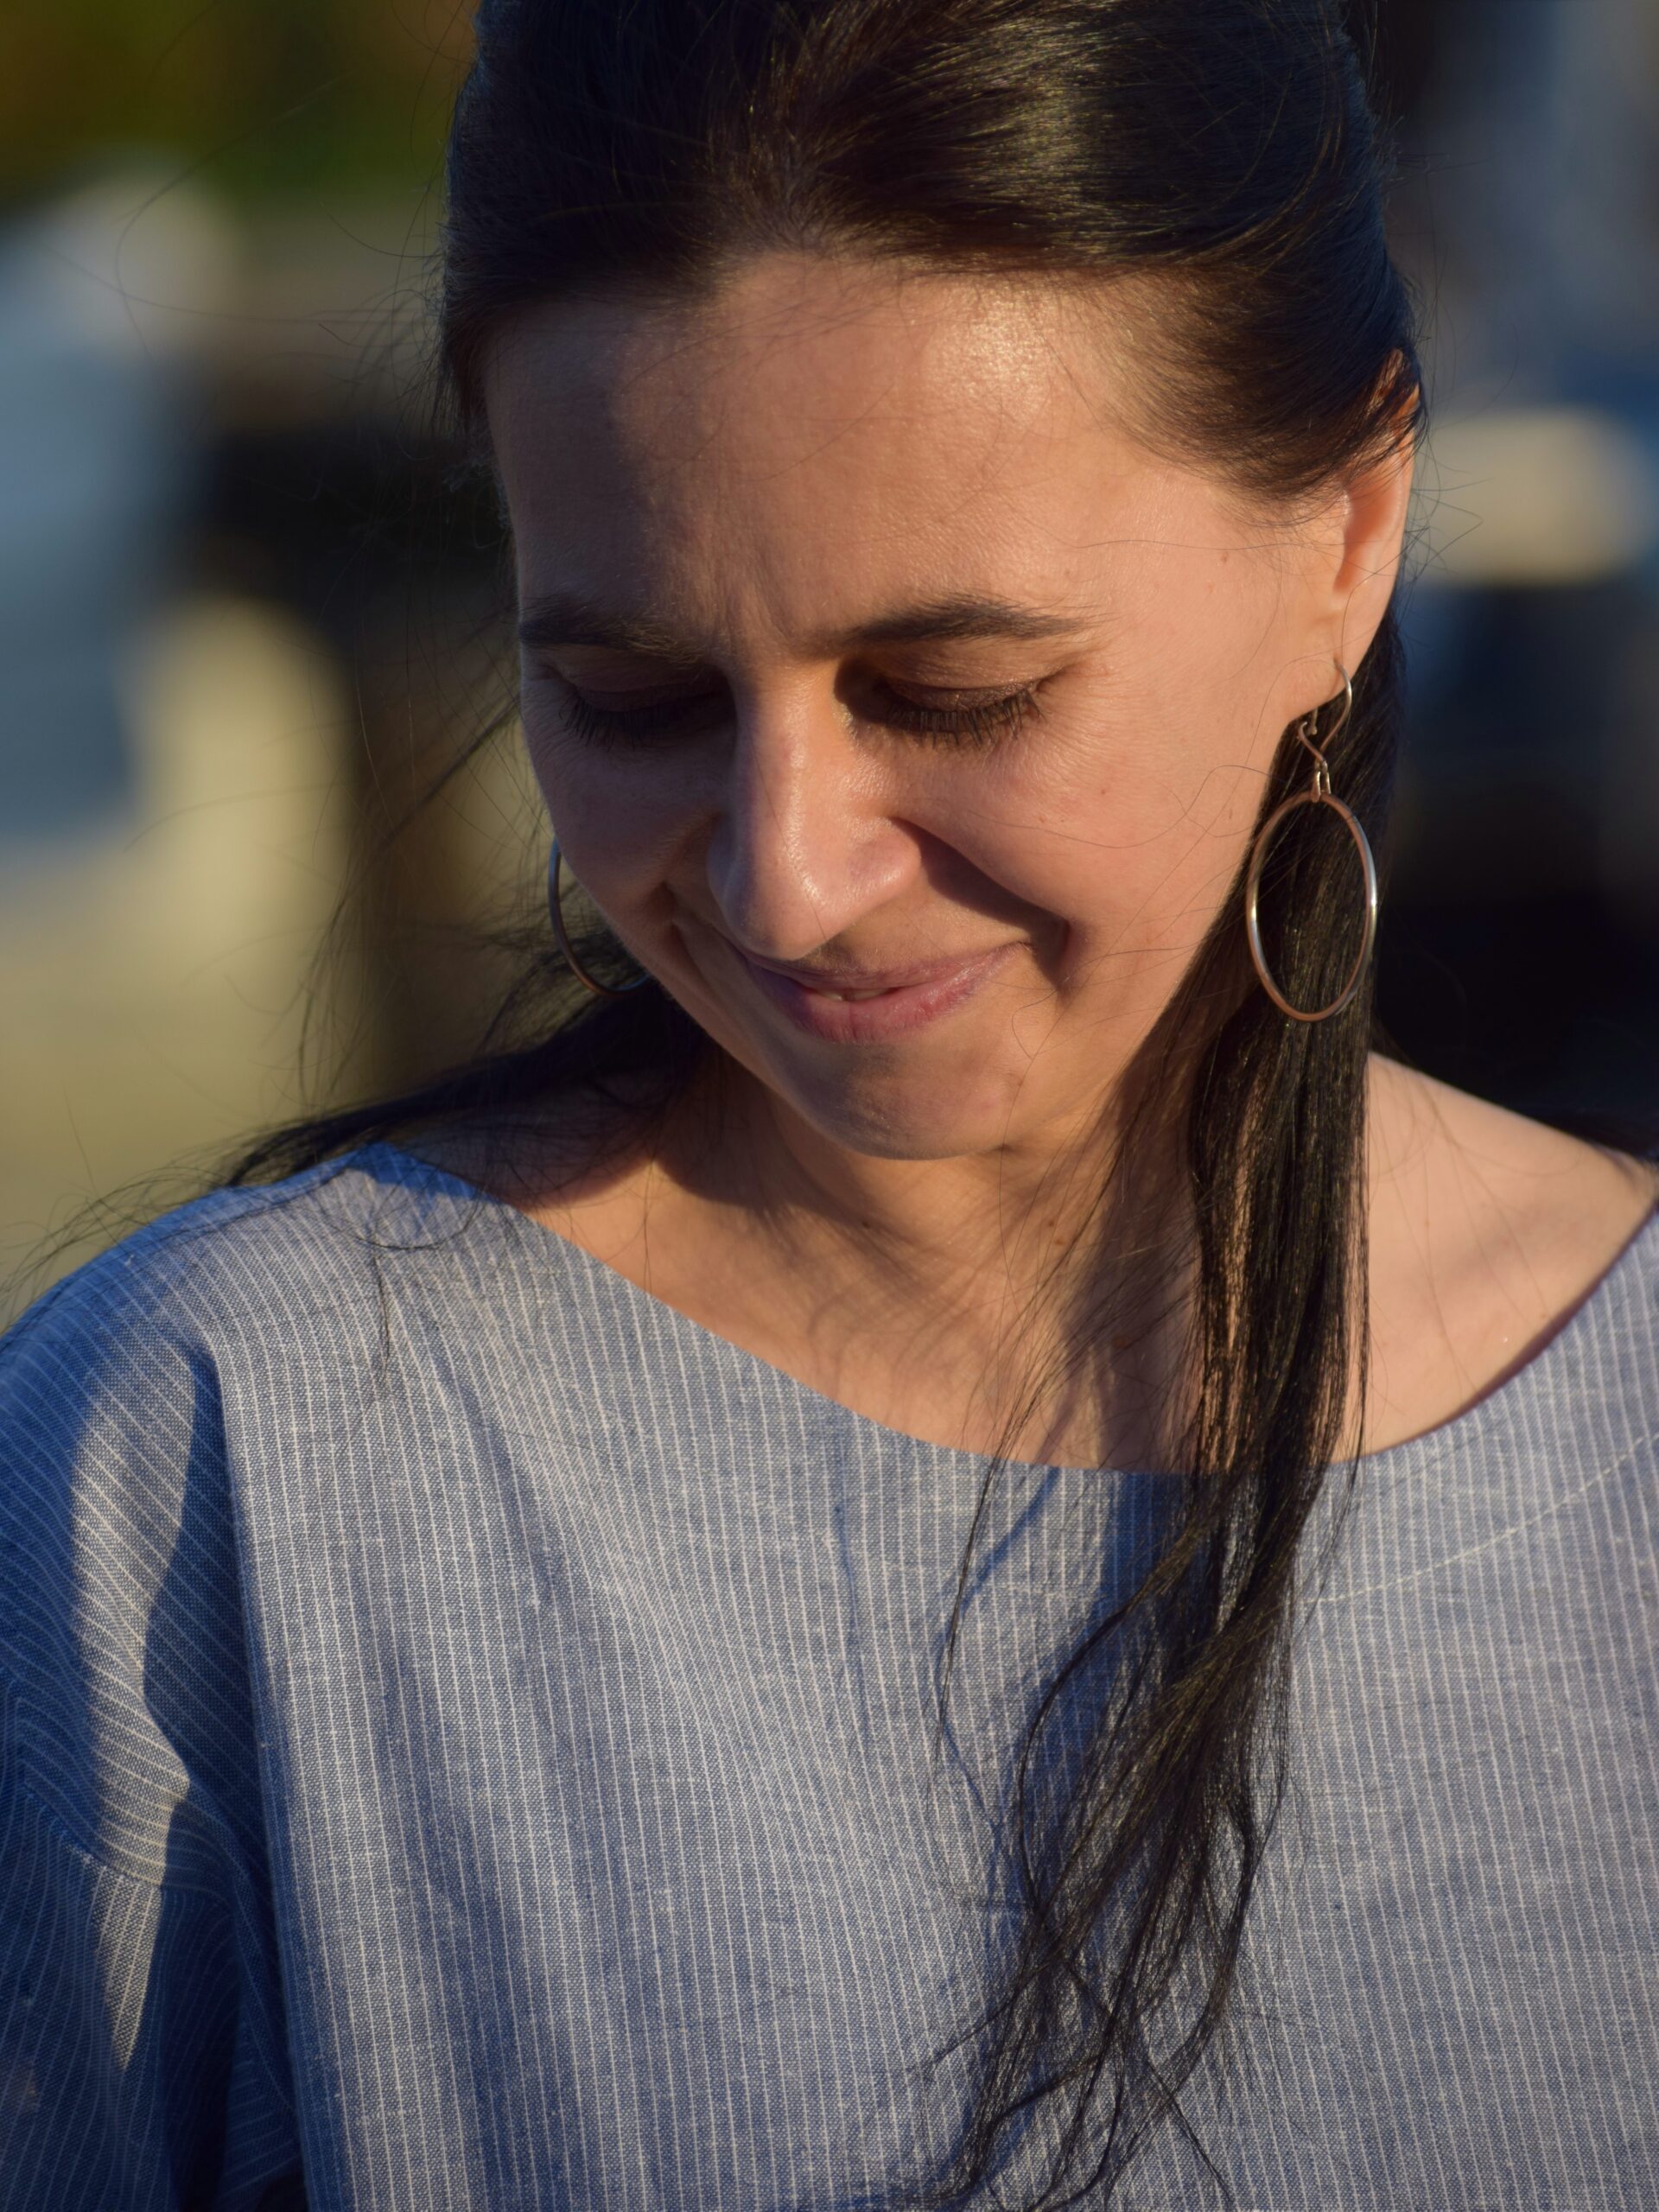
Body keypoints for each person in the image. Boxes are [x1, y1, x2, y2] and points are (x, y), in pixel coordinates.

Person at [3, 3, 1657, 2207]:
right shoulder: (219, 1455)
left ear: (1349, 539)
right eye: (634, 697)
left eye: (956, 691)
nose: (786, 876)